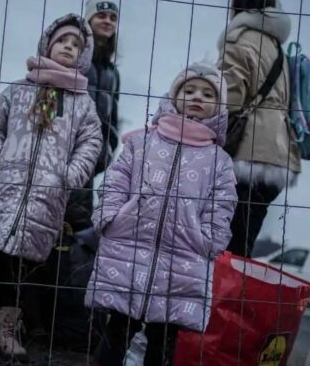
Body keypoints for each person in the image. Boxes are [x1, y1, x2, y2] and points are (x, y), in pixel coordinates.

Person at [86, 58, 237, 366]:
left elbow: (223, 205)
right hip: (128, 249)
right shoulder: (142, 142)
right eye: (189, 90)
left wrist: (209, 240)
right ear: (173, 97)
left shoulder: (219, 160)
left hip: (184, 260)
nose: (197, 98)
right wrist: (110, 217)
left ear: (219, 109)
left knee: (163, 340)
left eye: (208, 95)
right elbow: (115, 180)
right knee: (116, 331)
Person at [0, 14, 103, 362]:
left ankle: (7, 329)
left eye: (76, 44)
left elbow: (91, 143)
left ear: (83, 55)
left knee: (26, 269)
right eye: (63, 40)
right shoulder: (19, 89)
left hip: (46, 198)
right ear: (48, 43)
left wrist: (70, 174)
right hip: (7, 191)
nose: (68, 47)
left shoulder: (82, 103)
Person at [217, 0, 300, 257]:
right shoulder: (277, 48)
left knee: (229, 245)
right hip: (279, 155)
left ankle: (225, 298)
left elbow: (228, 99)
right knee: (243, 243)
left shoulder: (239, 40)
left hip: (247, 155)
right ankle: (234, 295)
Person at [63, 0, 122, 232]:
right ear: (88, 20)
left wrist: (106, 151)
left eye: (113, 18)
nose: (107, 21)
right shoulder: (72, 58)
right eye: (101, 15)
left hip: (91, 160)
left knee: (77, 223)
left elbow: (112, 119)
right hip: (64, 152)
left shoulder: (112, 72)